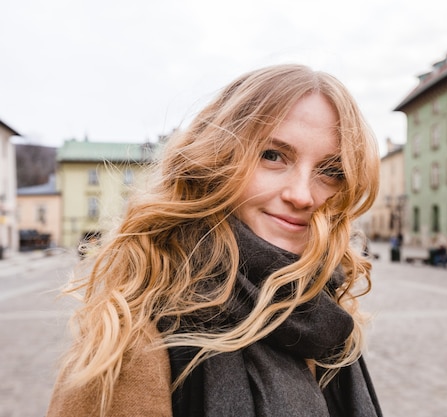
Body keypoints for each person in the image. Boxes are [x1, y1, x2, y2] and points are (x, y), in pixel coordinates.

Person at [47, 64, 383, 417]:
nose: (302, 195)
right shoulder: (136, 338)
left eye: (330, 171)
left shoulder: (325, 319)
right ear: (216, 159)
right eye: (273, 155)